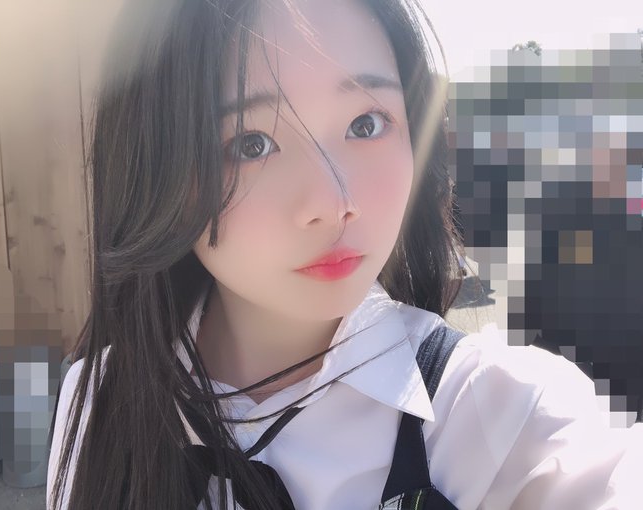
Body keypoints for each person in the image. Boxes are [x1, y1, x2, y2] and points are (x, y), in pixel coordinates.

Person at [46, 0, 642, 509]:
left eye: (366, 124)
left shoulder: (500, 413)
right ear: (154, 167)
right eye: (252, 143)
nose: (334, 204)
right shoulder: (99, 394)